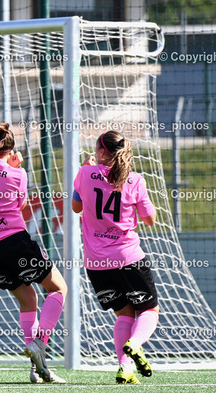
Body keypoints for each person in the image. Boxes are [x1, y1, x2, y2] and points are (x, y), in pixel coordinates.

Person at [0, 123, 67, 384]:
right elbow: (20, 204)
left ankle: (38, 369)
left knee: (28, 299)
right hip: (13, 242)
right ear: (11, 148)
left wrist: (7, 165)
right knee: (58, 289)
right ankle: (40, 344)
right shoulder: (18, 174)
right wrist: (15, 168)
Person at [72, 130, 158, 384]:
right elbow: (150, 220)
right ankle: (135, 343)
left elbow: (76, 207)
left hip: (96, 263)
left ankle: (125, 367)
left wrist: (86, 171)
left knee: (124, 314)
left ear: (101, 152)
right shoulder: (135, 180)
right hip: (128, 257)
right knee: (150, 309)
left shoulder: (85, 173)